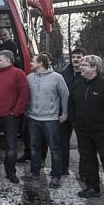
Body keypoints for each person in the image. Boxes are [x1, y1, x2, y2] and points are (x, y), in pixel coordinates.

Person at [68, 55, 104, 205]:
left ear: (95, 68)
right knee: (88, 160)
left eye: (85, 64)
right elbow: (71, 105)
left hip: (103, 133)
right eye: (81, 64)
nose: (81, 67)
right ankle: (92, 187)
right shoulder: (77, 84)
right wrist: (74, 123)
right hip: (83, 132)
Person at [0, 50, 27, 185]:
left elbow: (23, 95)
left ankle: (10, 172)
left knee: (11, 147)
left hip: (10, 117)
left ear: (8, 60)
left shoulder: (19, 74)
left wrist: (15, 112)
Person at [25, 53, 69, 188]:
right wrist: (26, 110)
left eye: (33, 61)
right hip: (33, 118)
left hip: (50, 119)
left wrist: (65, 113)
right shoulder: (29, 77)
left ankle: (56, 176)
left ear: (41, 63)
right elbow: (25, 94)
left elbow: (65, 95)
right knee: (34, 147)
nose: (31, 63)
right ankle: (34, 173)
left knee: (55, 148)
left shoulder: (57, 77)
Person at [59, 47, 86, 176]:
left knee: (83, 145)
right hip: (65, 114)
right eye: (74, 57)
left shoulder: (88, 74)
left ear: (84, 58)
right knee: (62, 143)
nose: (75, 59)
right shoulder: (63, 74)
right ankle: (63, 169)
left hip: (81, 115)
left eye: (78, 57)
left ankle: (83, 172)